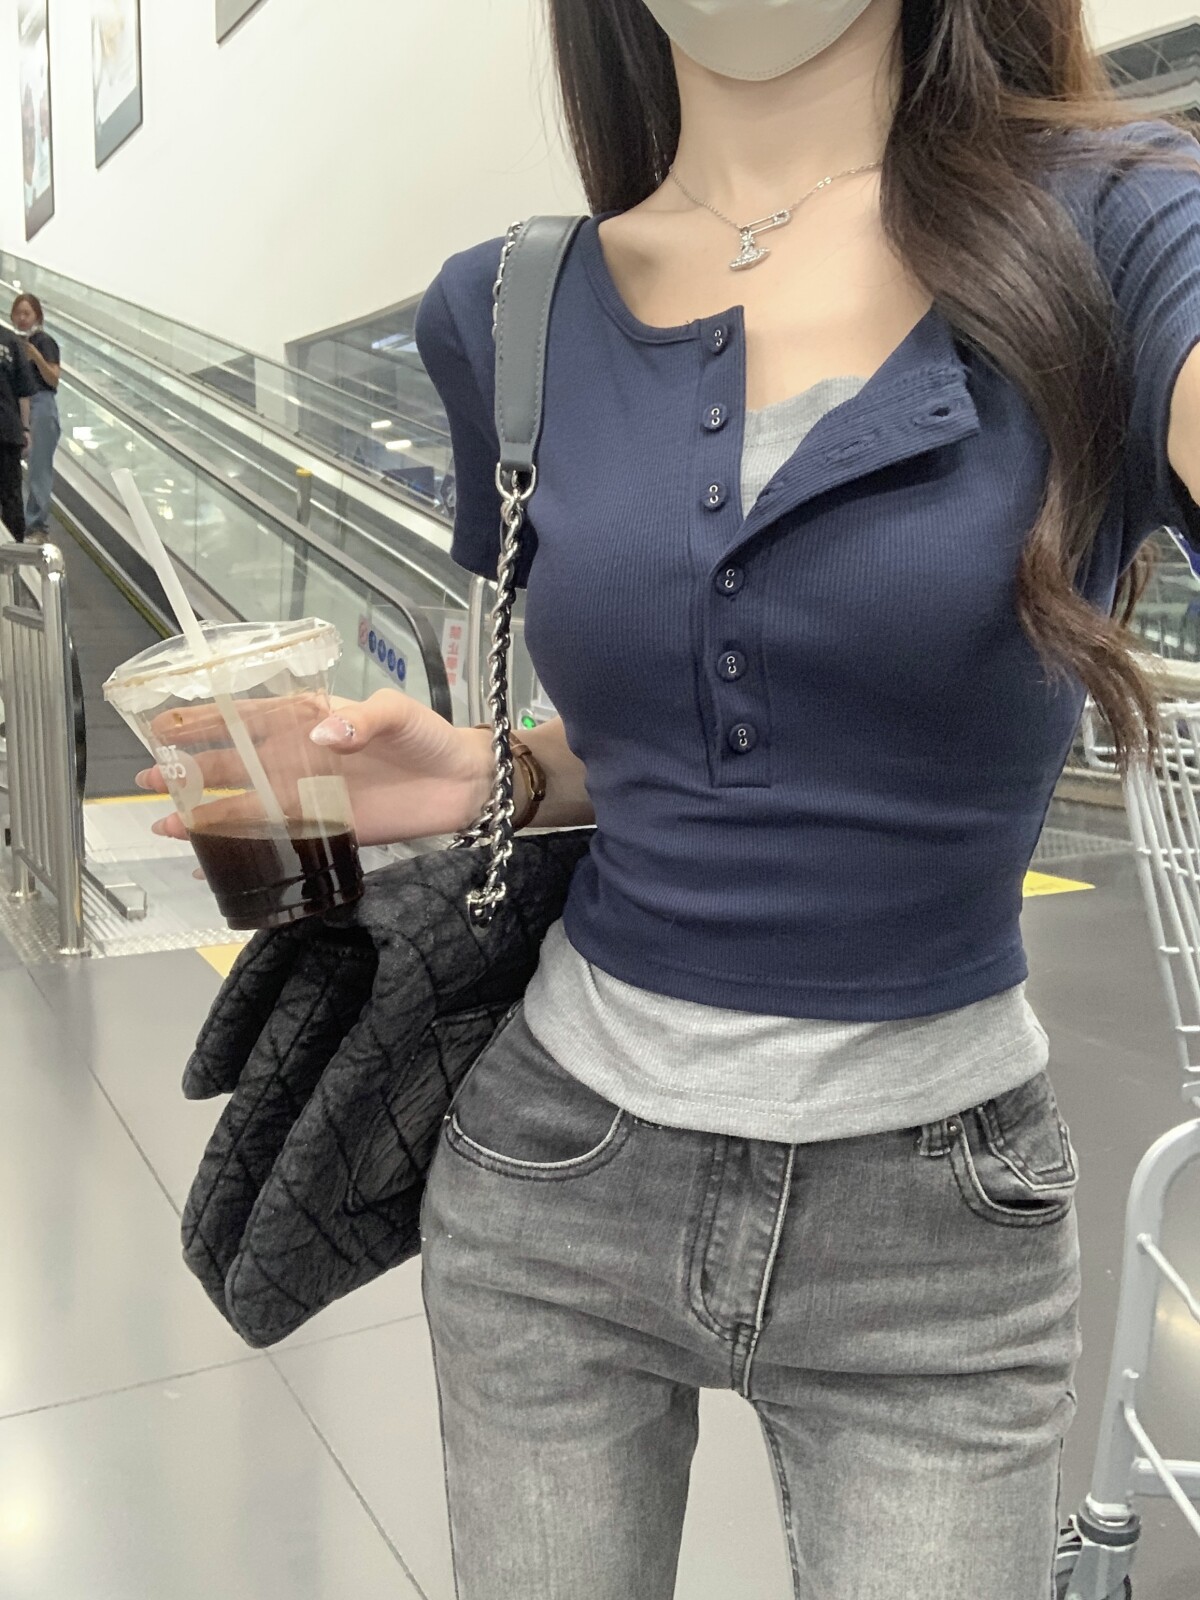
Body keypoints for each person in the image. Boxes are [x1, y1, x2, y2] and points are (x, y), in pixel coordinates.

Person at [142, 1, 1200, 1594]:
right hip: (556, 1177)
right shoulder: (506, 309)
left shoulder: (1113, 225)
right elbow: (690, 712)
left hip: (939, 1233)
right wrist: (504, 771)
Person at [11, 293, 61, 539]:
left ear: (37, 317)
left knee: (39, 468)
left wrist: (36, 357)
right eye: (18, 313)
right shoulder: (11, 343)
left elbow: (54, 379)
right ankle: (16, 521)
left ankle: (37, 526)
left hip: (41, 403)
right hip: (17, 404)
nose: (22, 318)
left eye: (27, 313)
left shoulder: (45, 342)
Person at [0, 318, 34, 542]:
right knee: (11, 495)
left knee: (11, 495)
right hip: (8, 429)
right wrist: (25, 428)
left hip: (7, 430)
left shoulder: (11, 340)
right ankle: (15, 552)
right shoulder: (10, 340)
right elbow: (23, 392)